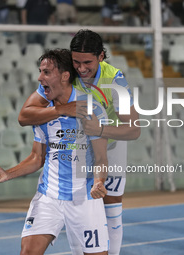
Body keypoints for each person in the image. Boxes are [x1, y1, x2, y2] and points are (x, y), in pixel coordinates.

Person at [18, 29, 140, 255]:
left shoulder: (115, 79)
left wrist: (100, 128)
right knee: (78, 202)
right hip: (78, 143)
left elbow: (134, 129)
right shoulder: (65, 73)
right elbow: (25, 115)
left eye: (87, 63)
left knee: (110, 204)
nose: (81, 69)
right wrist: (63, 109)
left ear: (101, 57)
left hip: (110, 141)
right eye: (76, 62)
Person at [0, 49, 109, 255]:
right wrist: (9, 174)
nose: (39, 77)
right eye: (40, 71)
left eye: (46, 72)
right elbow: (37, 157)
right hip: (49, 196)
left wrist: (99, 181)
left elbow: (101, 157)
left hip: (84, 198)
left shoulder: (91, 108)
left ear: (64, 76)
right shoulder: (44, 113)